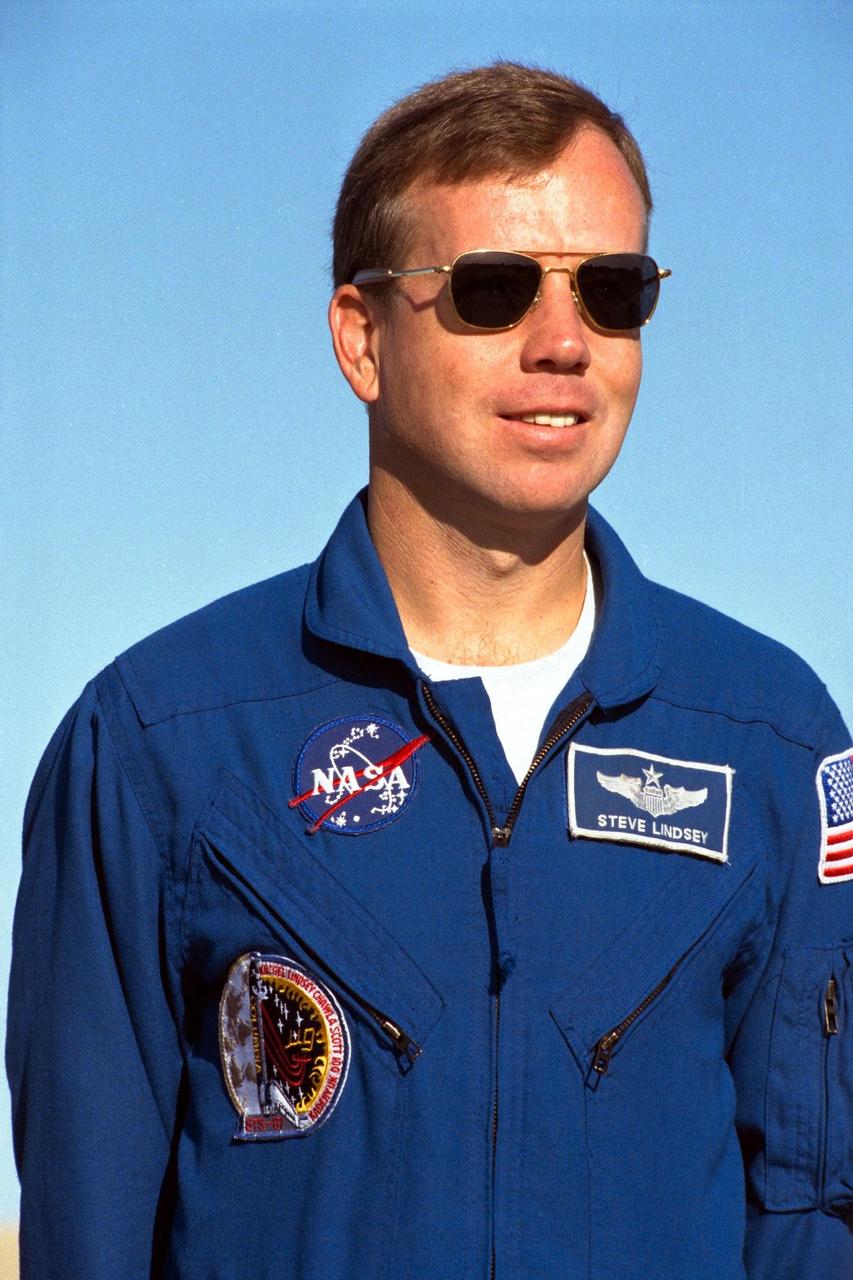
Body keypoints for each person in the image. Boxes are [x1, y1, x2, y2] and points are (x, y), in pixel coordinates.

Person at [7, 62, 852, 1280]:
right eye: (494, 290)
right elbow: (88, 1226)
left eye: (612, 292)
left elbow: (812, 1216)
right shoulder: (159, 742)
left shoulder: (769, 738)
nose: (564, 342)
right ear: (361, 337)